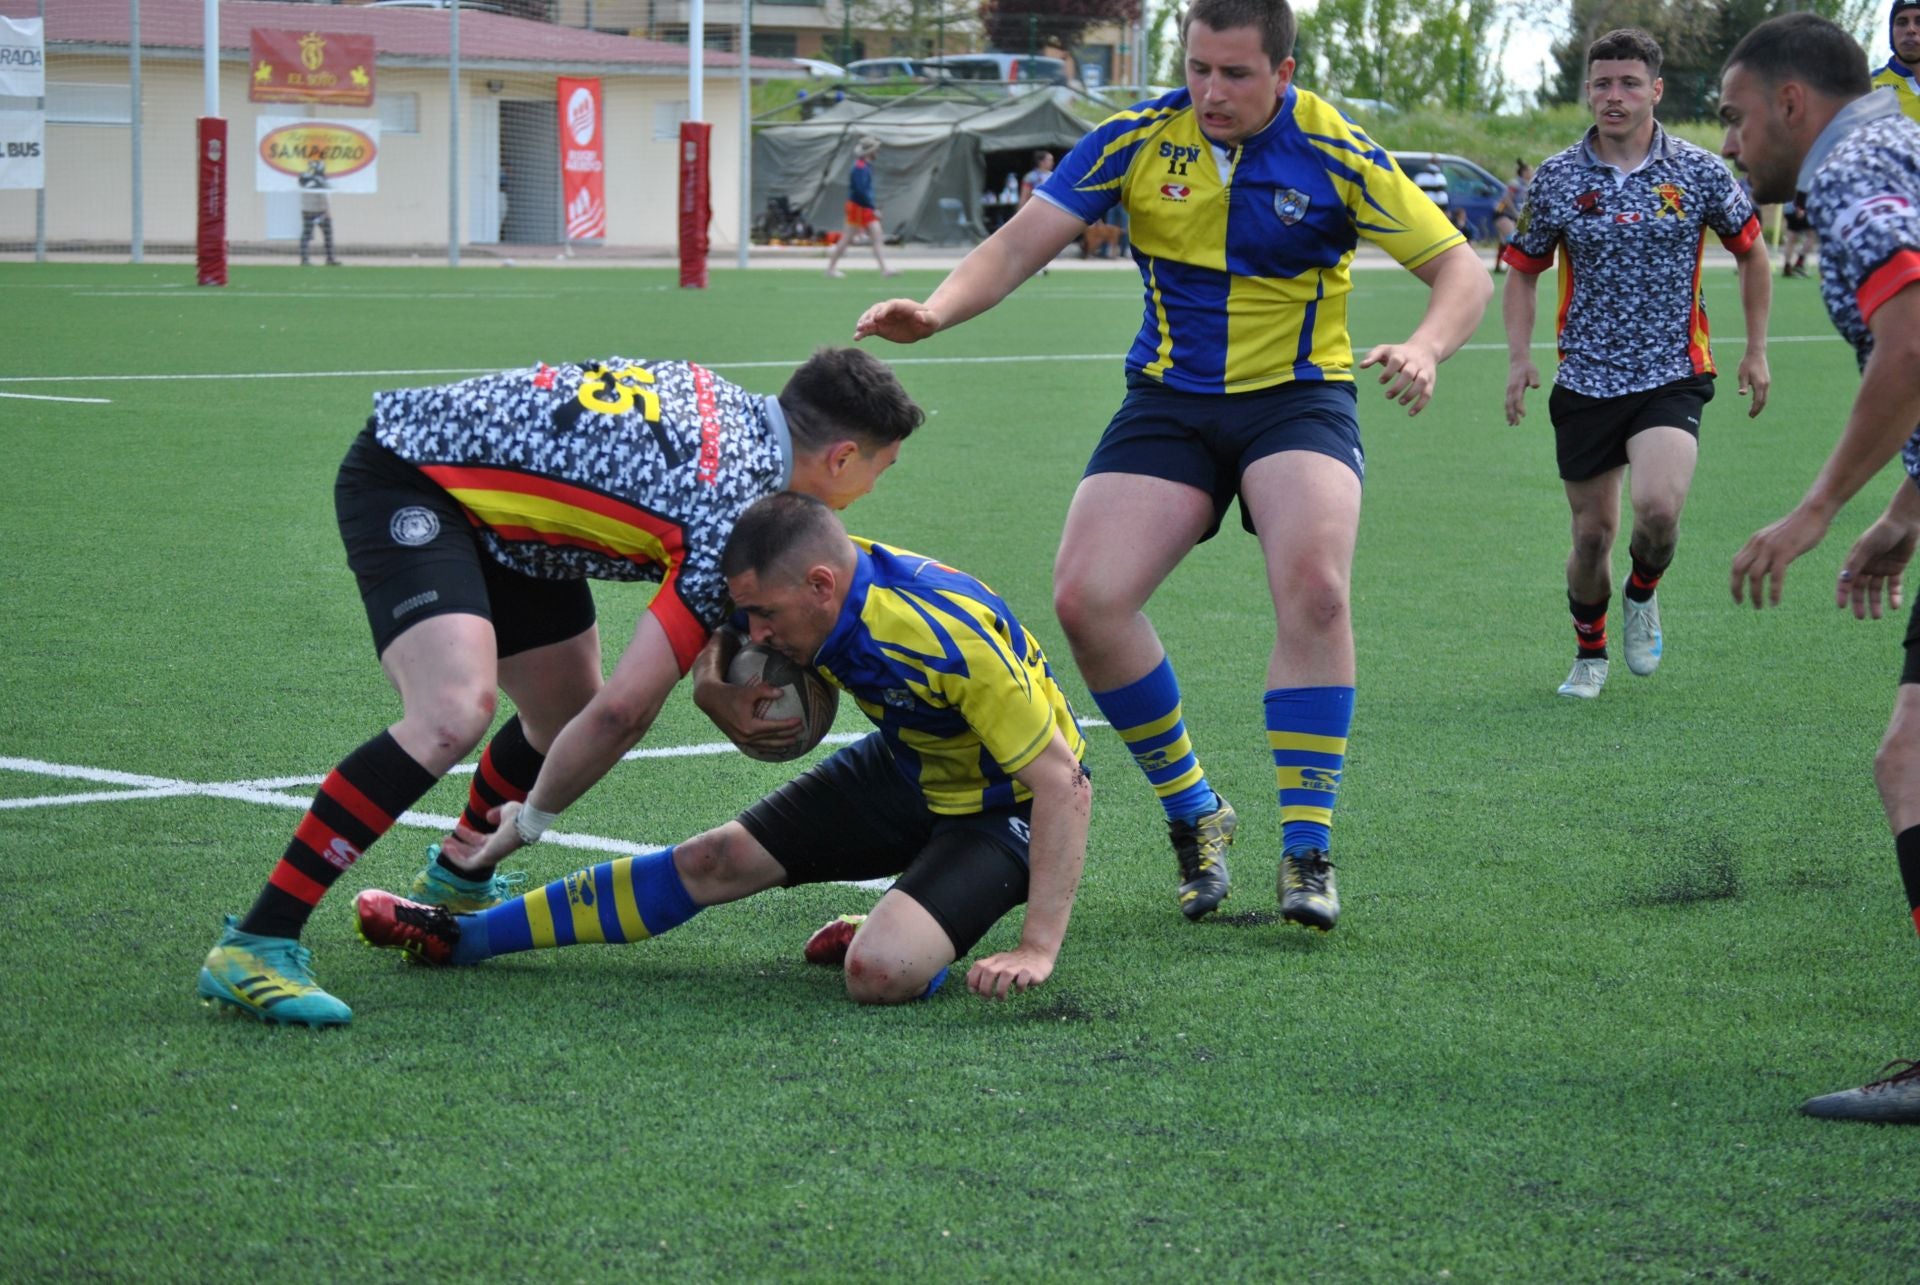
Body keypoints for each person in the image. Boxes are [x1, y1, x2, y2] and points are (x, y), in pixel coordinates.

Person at [854, 0, 1490, 930]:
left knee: (1316, 585)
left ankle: (1307, 844)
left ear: (1283, 70)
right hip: (1171, 402)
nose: (1210, 91)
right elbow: (1019, 244)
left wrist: (1430, 346)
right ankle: (1195, 811)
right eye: (1197, 68)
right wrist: (937, 310)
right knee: (1086, 596)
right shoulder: (1138, 139)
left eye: (1235, 73)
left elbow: (1460, 270)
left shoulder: (1337, 150)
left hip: (1298, 396)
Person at [196, 349, 925, 1026]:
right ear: (840, 457)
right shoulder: (732, 501)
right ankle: (259, 939)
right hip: (412, 478)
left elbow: (691, 607)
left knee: (559, 710)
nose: (869, 490)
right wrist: (530, 823)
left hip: (513, 529)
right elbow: (624, 714)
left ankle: (455, 875)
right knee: (452, 712)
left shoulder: (737, 420)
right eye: (879, 470)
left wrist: (711, 681)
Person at [354, 492, 1093, 1004]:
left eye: (767, 616)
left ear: (821, 585)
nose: (757, 635)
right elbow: (726, 633)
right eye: (750, 614)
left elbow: (1066, 785)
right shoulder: (803, 582)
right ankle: (464, 935)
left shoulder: (945, 641)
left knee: (880, 972)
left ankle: (918, 927)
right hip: (913, 766)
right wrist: (712, 682)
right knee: (712, 858)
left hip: (1010, 806)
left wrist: (1037, 947)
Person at [1719, 11, 1920, 1123]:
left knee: (1914, 763)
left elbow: (1917, 343)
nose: (1733, 145)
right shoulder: (1897, 142)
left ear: (1793, 106)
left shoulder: (1851, 172)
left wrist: (1817, 509)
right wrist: (1904, 512)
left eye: (1738, 118)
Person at [1501, 27, 1772, 701]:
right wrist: (1517, 358)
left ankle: (1643, 592)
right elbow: (1524, 272)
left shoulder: (1699, 171)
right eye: (1601, 84)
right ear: (1587, 90)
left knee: (1657, 508)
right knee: (1591, 537)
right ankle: (1589, 653)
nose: (1613, 96)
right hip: (1587, 377)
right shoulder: (1558, 178)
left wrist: (1757, 350)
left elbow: (1752, 252)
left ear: (1655, 89)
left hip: (1671, 371)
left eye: (1628, 83)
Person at [825, 136, 897, 279]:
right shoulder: (860, 168)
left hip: (864, 208)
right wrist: (872, 207)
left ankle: (884, 269)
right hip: (858, 208)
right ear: (871, 151)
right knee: (847, 238)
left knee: (877, 235)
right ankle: (831, 268)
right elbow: (860, 191)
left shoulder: (864, 166)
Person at [1872, 0, 1920, 123]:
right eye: (1902, 22)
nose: (1910, 29)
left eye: (1919, 22)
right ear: (1891, 32)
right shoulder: (1867, 88)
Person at [1490, 158, 1533, 274]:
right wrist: (1515, 213)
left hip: (1518, 216)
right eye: (1530, 170)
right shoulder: (1515, 183)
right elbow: (1506, 199)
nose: (1532, 173)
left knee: (1507, 241)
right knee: (1513, 239)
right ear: (1524, 172)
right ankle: (1513, 266)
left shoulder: (1529, 185)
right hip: (1503, 213)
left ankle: (1499, 266)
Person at [298, 160, 341, 268]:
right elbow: (324, 195)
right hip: (319, 211)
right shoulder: (319, 180)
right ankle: (329, 258)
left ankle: (305, 259)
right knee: (327, 236)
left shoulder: (304, 178)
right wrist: (328, 211)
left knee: (307, 236)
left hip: (307, 210)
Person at [1780, 196, 1817, 277]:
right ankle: (1799, 263)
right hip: (1799, 207)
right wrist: (1799, 207)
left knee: (1791, 238)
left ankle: (1787, 264)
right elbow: (1800, 189)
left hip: (1788, 208)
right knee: (1811, 236)